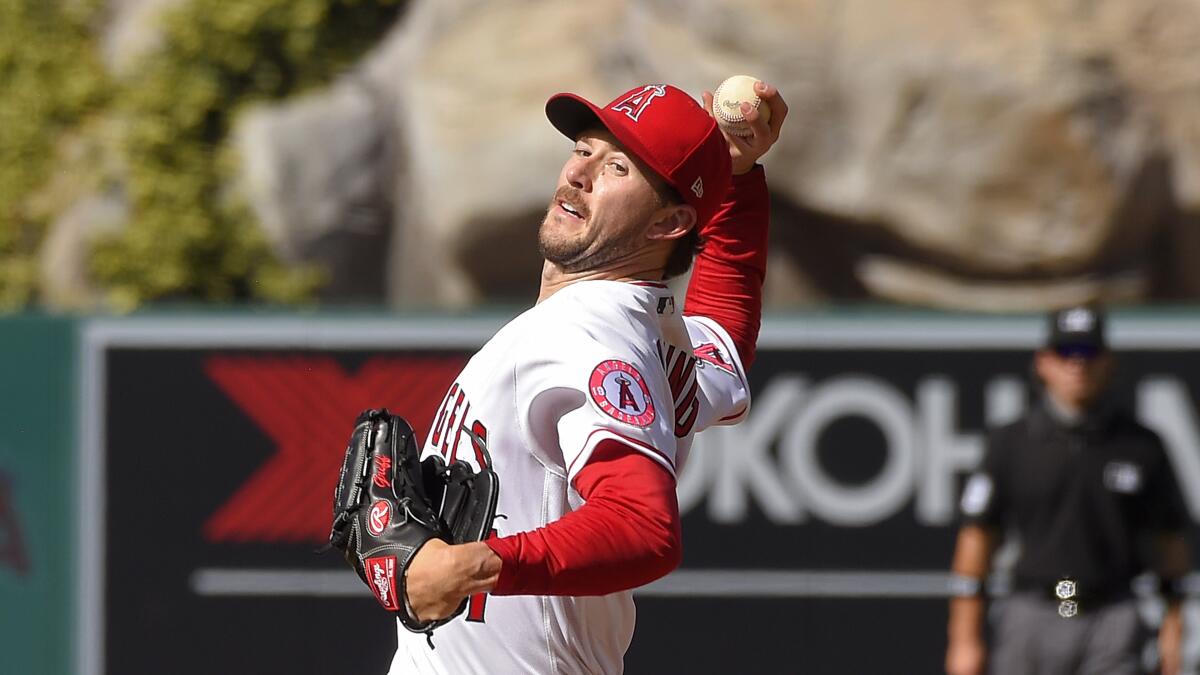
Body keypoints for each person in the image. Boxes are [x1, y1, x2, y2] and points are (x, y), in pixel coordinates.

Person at [385, 80, 787, 674]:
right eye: (584, 149)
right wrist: (737, 180)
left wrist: (472, 567)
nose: (580, 173)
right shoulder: (650, 333)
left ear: (668, 223)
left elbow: (642, 526)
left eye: (617, 167)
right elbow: (725, 337)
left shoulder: (586, 333)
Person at [945, 305, 1192, 675]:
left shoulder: (1140, 445)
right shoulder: (1012, 442)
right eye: (1067, 353)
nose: (1078, 365)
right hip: (1039, 607)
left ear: (1108, 362)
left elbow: (1169, 543)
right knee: (1063, 600)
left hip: (1110, 611)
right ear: (1044, 362)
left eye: (1089, 353)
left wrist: (1173, 632)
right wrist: (964, 639)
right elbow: (977, 540)